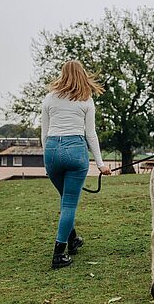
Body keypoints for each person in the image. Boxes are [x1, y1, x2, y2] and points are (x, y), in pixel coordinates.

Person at [41, 60, 111, 269]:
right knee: (69, 203)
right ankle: (58, 254)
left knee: (65, 200)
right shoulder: (86, 99)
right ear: (82, 74)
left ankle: (72, 239)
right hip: (75, 150)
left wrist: (47, 162)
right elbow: (91, 134)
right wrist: (100, 164)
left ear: (62, 74)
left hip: (52, 150)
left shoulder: (49, 98)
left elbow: (44, 133)